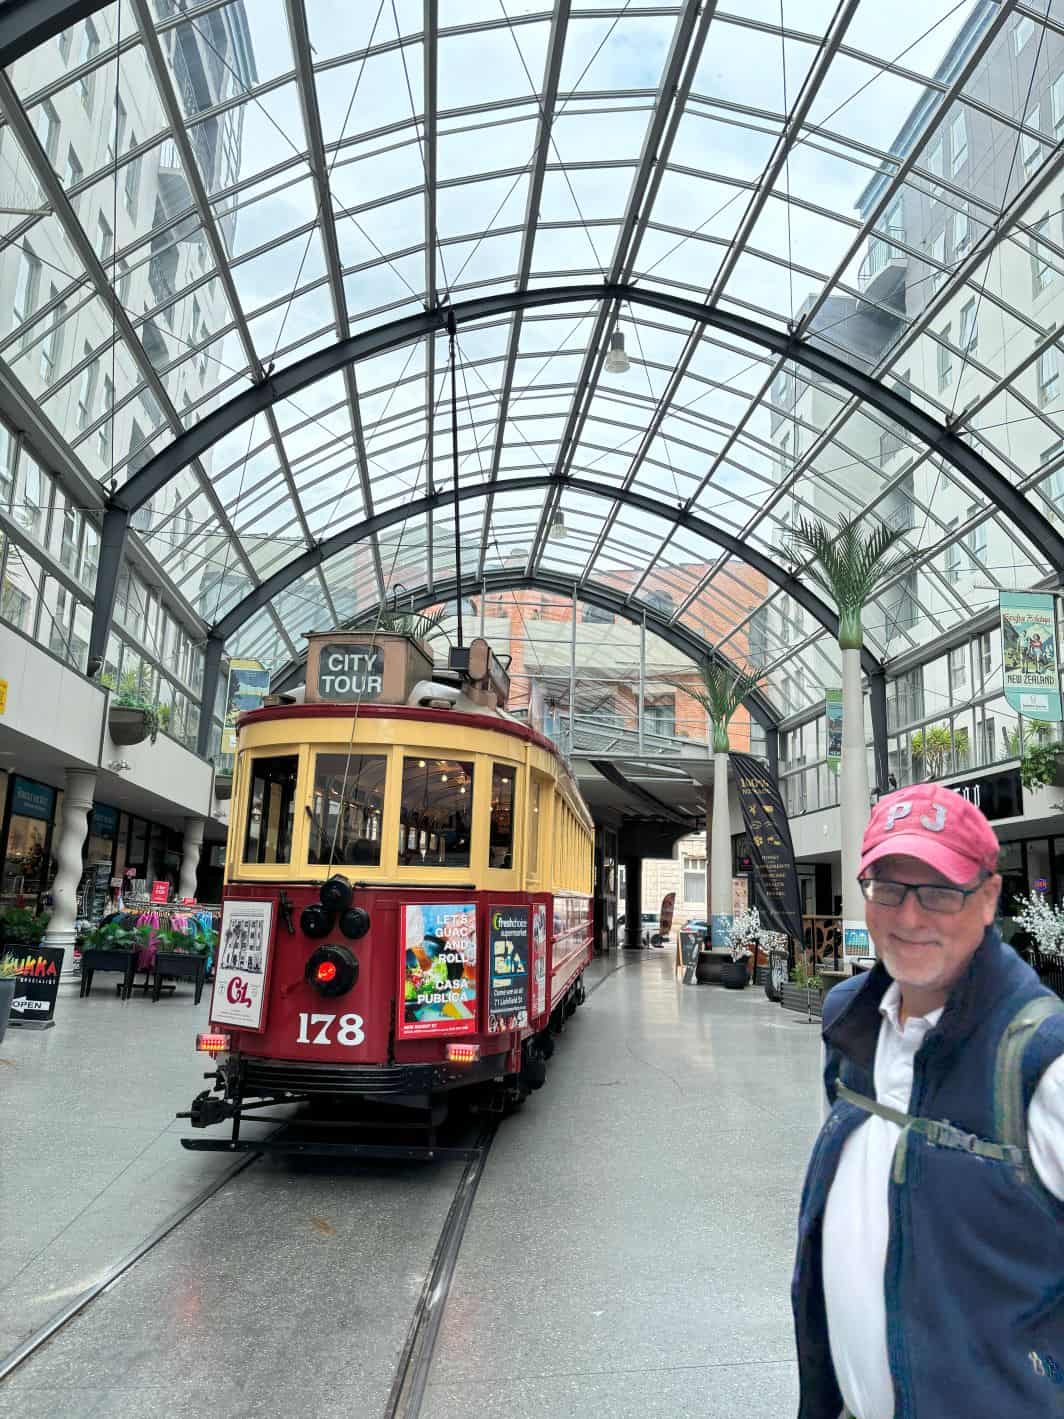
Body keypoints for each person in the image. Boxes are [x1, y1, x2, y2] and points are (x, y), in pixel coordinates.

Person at [792, 784, 1064, 1419]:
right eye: (888, 887)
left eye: (940, 891)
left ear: (989, 897)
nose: (909, 918)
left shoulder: (1040, 1059)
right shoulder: (852, 1022)